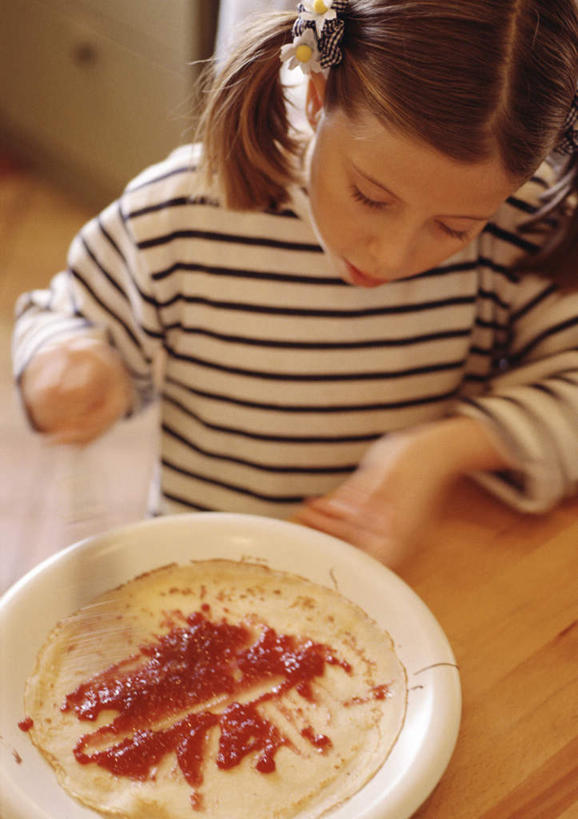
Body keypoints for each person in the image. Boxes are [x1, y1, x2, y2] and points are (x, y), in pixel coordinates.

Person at [13, 0, 578, 568]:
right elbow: (63, 317)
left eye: (454, 228)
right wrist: (67, 360)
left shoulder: (521, 225)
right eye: (371, 197)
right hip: (200, 574)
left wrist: (441, 450)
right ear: (317, 93)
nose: (391, 255)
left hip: (391, 581)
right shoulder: (181, 210)